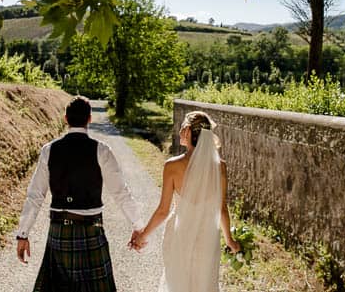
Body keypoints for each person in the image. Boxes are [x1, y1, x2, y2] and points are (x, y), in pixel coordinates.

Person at [15, 96, 142, 292]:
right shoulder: (102, 150)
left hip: (59, 233)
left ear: (65, 119)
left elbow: (35, 196)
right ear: (90, 119)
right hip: (91, 231)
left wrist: (23, 234)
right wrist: (138, 226)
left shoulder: (49, 150)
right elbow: (120, 192)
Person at [130, 111, 241, 292]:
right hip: (208, 238)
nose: (180, 130)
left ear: (188, 131)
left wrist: (142, 236)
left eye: (182, 127)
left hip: (179, 235)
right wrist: (230, 240)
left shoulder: (172, 166)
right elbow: (221, 209)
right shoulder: (220, 167)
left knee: (177, 285)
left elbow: (163, 211)